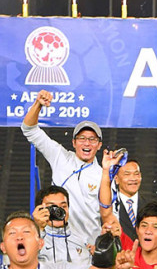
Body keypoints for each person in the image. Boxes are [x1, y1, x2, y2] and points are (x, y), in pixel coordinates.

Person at [21, 90, 104, 254]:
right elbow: (29, 129)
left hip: (89, 249)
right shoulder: (60, 156)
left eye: (92, 139)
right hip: (55, 244)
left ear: (99, 145)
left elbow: (110, 217)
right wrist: (38, 104)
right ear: (73, 142)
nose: (87, 143)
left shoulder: (104, 176)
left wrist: (100, 246)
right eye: (82, 138)